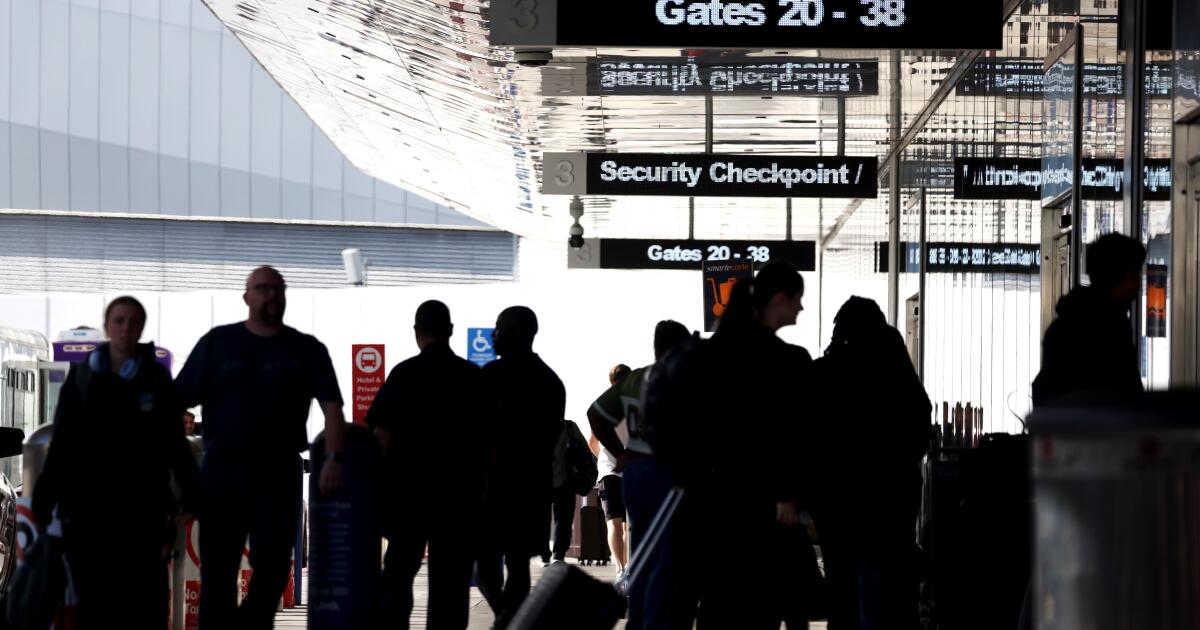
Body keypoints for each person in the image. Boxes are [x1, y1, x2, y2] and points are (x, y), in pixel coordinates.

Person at [176, 266, 347, 630]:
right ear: (246, 297)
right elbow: (174, 403)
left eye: (277, 289)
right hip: (222, 475)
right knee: (218, 576)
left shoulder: (306, 349)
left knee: (272, 572)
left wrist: (334, 458)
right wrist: (179, 468)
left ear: (284, 295)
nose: (270, 295)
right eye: (262, 288)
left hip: (278, 475)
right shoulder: (217, 344)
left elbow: (332, 406)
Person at [33, 296, 200, 629]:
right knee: (94, 605)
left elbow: (173, 444)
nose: (126, 328)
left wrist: (192, 496)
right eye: (120, 320)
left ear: (141, 329)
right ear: (107, 325)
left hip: (143, 514)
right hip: (88, 514)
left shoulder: (154, 379)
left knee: (143, 605)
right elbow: (64, 443)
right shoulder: (82, 378)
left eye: (134, 321)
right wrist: (44, 500)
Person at [690, 260, 818, 629]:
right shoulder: (785, 360)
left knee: (721, 599)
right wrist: (786, 493)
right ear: (780, 298)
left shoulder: (711, 354)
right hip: (764, 507)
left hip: (713, 504)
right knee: (763, 601)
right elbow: (784, 434)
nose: (801, 308)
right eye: (798, 299)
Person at [813, 297, 932, 630]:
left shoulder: (826, 370)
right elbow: (920, 424)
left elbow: (809, 433)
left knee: (842, 584)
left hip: (838, 499)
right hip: (891, 497)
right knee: (891, 584)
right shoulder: (894, 364)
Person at [365, 300, 484, 630]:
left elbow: (381, 438)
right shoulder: (472, 377)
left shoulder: (404, 375)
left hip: (407, 496)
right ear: (450, 331)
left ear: (417, 333)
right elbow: (490, 443)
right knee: (451, 583)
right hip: (458, 496)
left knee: (399, 575)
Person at [587, 321, 691, 630]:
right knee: (668, 555)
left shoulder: (634, 380)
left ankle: (638, 616)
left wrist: (620, 451)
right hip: (667, 475)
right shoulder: (679, 377)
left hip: (635, 474)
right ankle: (655, 619)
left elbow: (596, 413)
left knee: (642, 549)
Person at [476, 306, 566, 629]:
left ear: (514, 332)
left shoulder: (488, 378)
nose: (492, 334)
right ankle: (510, 618)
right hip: (533, 487)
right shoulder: (551, 382)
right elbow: (550, 437)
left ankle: (506, 616)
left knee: (486, 564)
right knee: (518, 562)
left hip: (493, 488)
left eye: (498, 327)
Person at [1033, 233, 1146, 406]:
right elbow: (1123, 393)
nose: (1139, 283)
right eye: (1137, 273)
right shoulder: (1109, 328)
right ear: (1128, 276)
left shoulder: (1070, 319)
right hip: (1097, 431)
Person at [588, 364, 632, 588]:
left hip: (609, 471)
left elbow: (592, 443)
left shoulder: (603, 406)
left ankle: (621, 569)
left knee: (614, 523)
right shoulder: (635, 406)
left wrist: (604, 460)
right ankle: (627, 569)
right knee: (627, 525)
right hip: (630, 471)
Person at [543, 418, 585, 566]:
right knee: (563, 519)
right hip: (566, 479)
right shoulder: (569, 426)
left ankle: (545, 555)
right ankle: (558, 555)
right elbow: (584, 448)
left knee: (542, 517)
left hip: (543, 481)